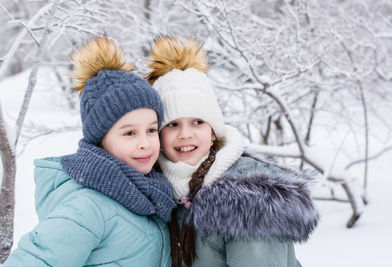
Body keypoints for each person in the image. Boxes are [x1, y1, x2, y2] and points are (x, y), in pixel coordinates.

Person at [146, 36, 319, 267]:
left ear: (214, 132)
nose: (185, 134)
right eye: (172, 124)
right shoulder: (163, 191)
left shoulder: (249, 199)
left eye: (198, 122)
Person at [4, 36, 176, 267]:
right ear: (100, 140)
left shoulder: (153, 193)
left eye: (151, 130)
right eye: (129, 133)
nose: (145, 143)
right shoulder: (88, 205)